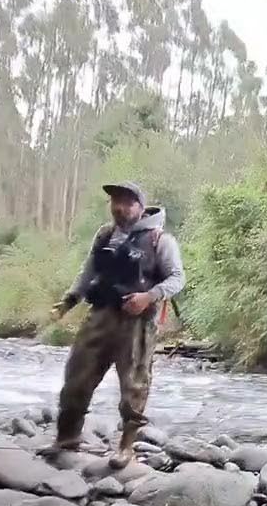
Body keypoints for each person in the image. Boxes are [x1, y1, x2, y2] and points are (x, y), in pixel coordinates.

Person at [48, 181, 184, 467]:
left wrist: (149, 296)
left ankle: (126, 447)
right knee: (76, 378)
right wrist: (69, 300)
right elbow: (89, 271)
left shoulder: (161, 240)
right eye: (115, 202)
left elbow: (176, 278)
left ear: (140, 207)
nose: (119, 208)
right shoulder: (105, 235)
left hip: (136, 323)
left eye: (127, 202)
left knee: (134, 385)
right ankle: (67, 438)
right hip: (99, 315)